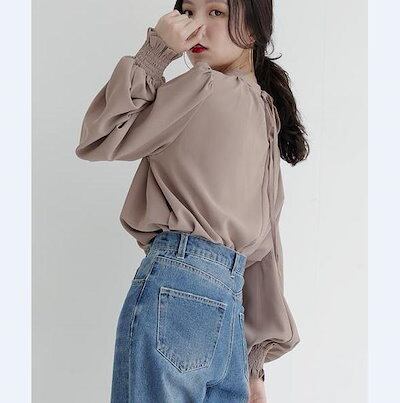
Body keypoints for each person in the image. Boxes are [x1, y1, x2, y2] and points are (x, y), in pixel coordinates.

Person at [75, 1, 309, 401]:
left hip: (178, 284)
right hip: (229, 313)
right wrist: (254, 364)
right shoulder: (265, 111)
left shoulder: (202, 87)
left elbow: (100, 135)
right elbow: (265, 247)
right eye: (187, 12)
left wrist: (156, 53)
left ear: (252, 28)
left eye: (216, 12)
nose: (196, 26)